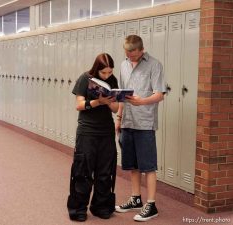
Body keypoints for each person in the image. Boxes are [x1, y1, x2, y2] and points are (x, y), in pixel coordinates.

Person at [115, 35, 166, 222]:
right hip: (127, 121)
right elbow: (122, 94)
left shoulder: (155, 65)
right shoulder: (123, 65)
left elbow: (160, 94)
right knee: (132, 165)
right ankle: (136, 199)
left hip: (145, 123)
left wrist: (141, 102)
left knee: (148, 166)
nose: (130, 58)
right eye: (127, 55)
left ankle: (151, 205)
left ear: (141, 50)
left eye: (133, 55)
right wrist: (118, 117)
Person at [67, 53, 119, 222]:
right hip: (87, 131)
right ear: (97, 69)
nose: (107, 76)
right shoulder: (85, 78)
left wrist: (109, 101)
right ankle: (78, 208)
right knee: (83, 171)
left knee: (105, 172)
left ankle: (101, 206)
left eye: (110, 72)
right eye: (104, 73)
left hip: (106, 132)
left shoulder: (112, 81)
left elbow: (116, 109)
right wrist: (97, 102)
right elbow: (79, 105)